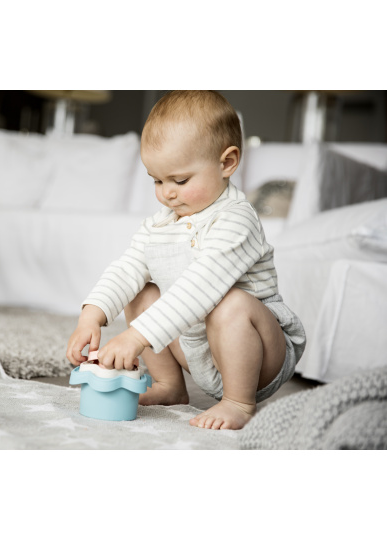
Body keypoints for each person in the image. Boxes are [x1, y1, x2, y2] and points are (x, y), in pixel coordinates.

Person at [66, 91, 306, 430]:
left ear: (227, 163)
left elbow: (200, 286)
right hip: (197, 348)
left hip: (259, 356)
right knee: (140, 291)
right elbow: (126, 268)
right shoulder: (160, 224)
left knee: (230, 303)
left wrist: (136, 337)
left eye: (180, 180)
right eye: (157, 180)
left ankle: (238, 402)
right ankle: (170, 386)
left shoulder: (236, 219)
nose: (167, 192)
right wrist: (91, 316)